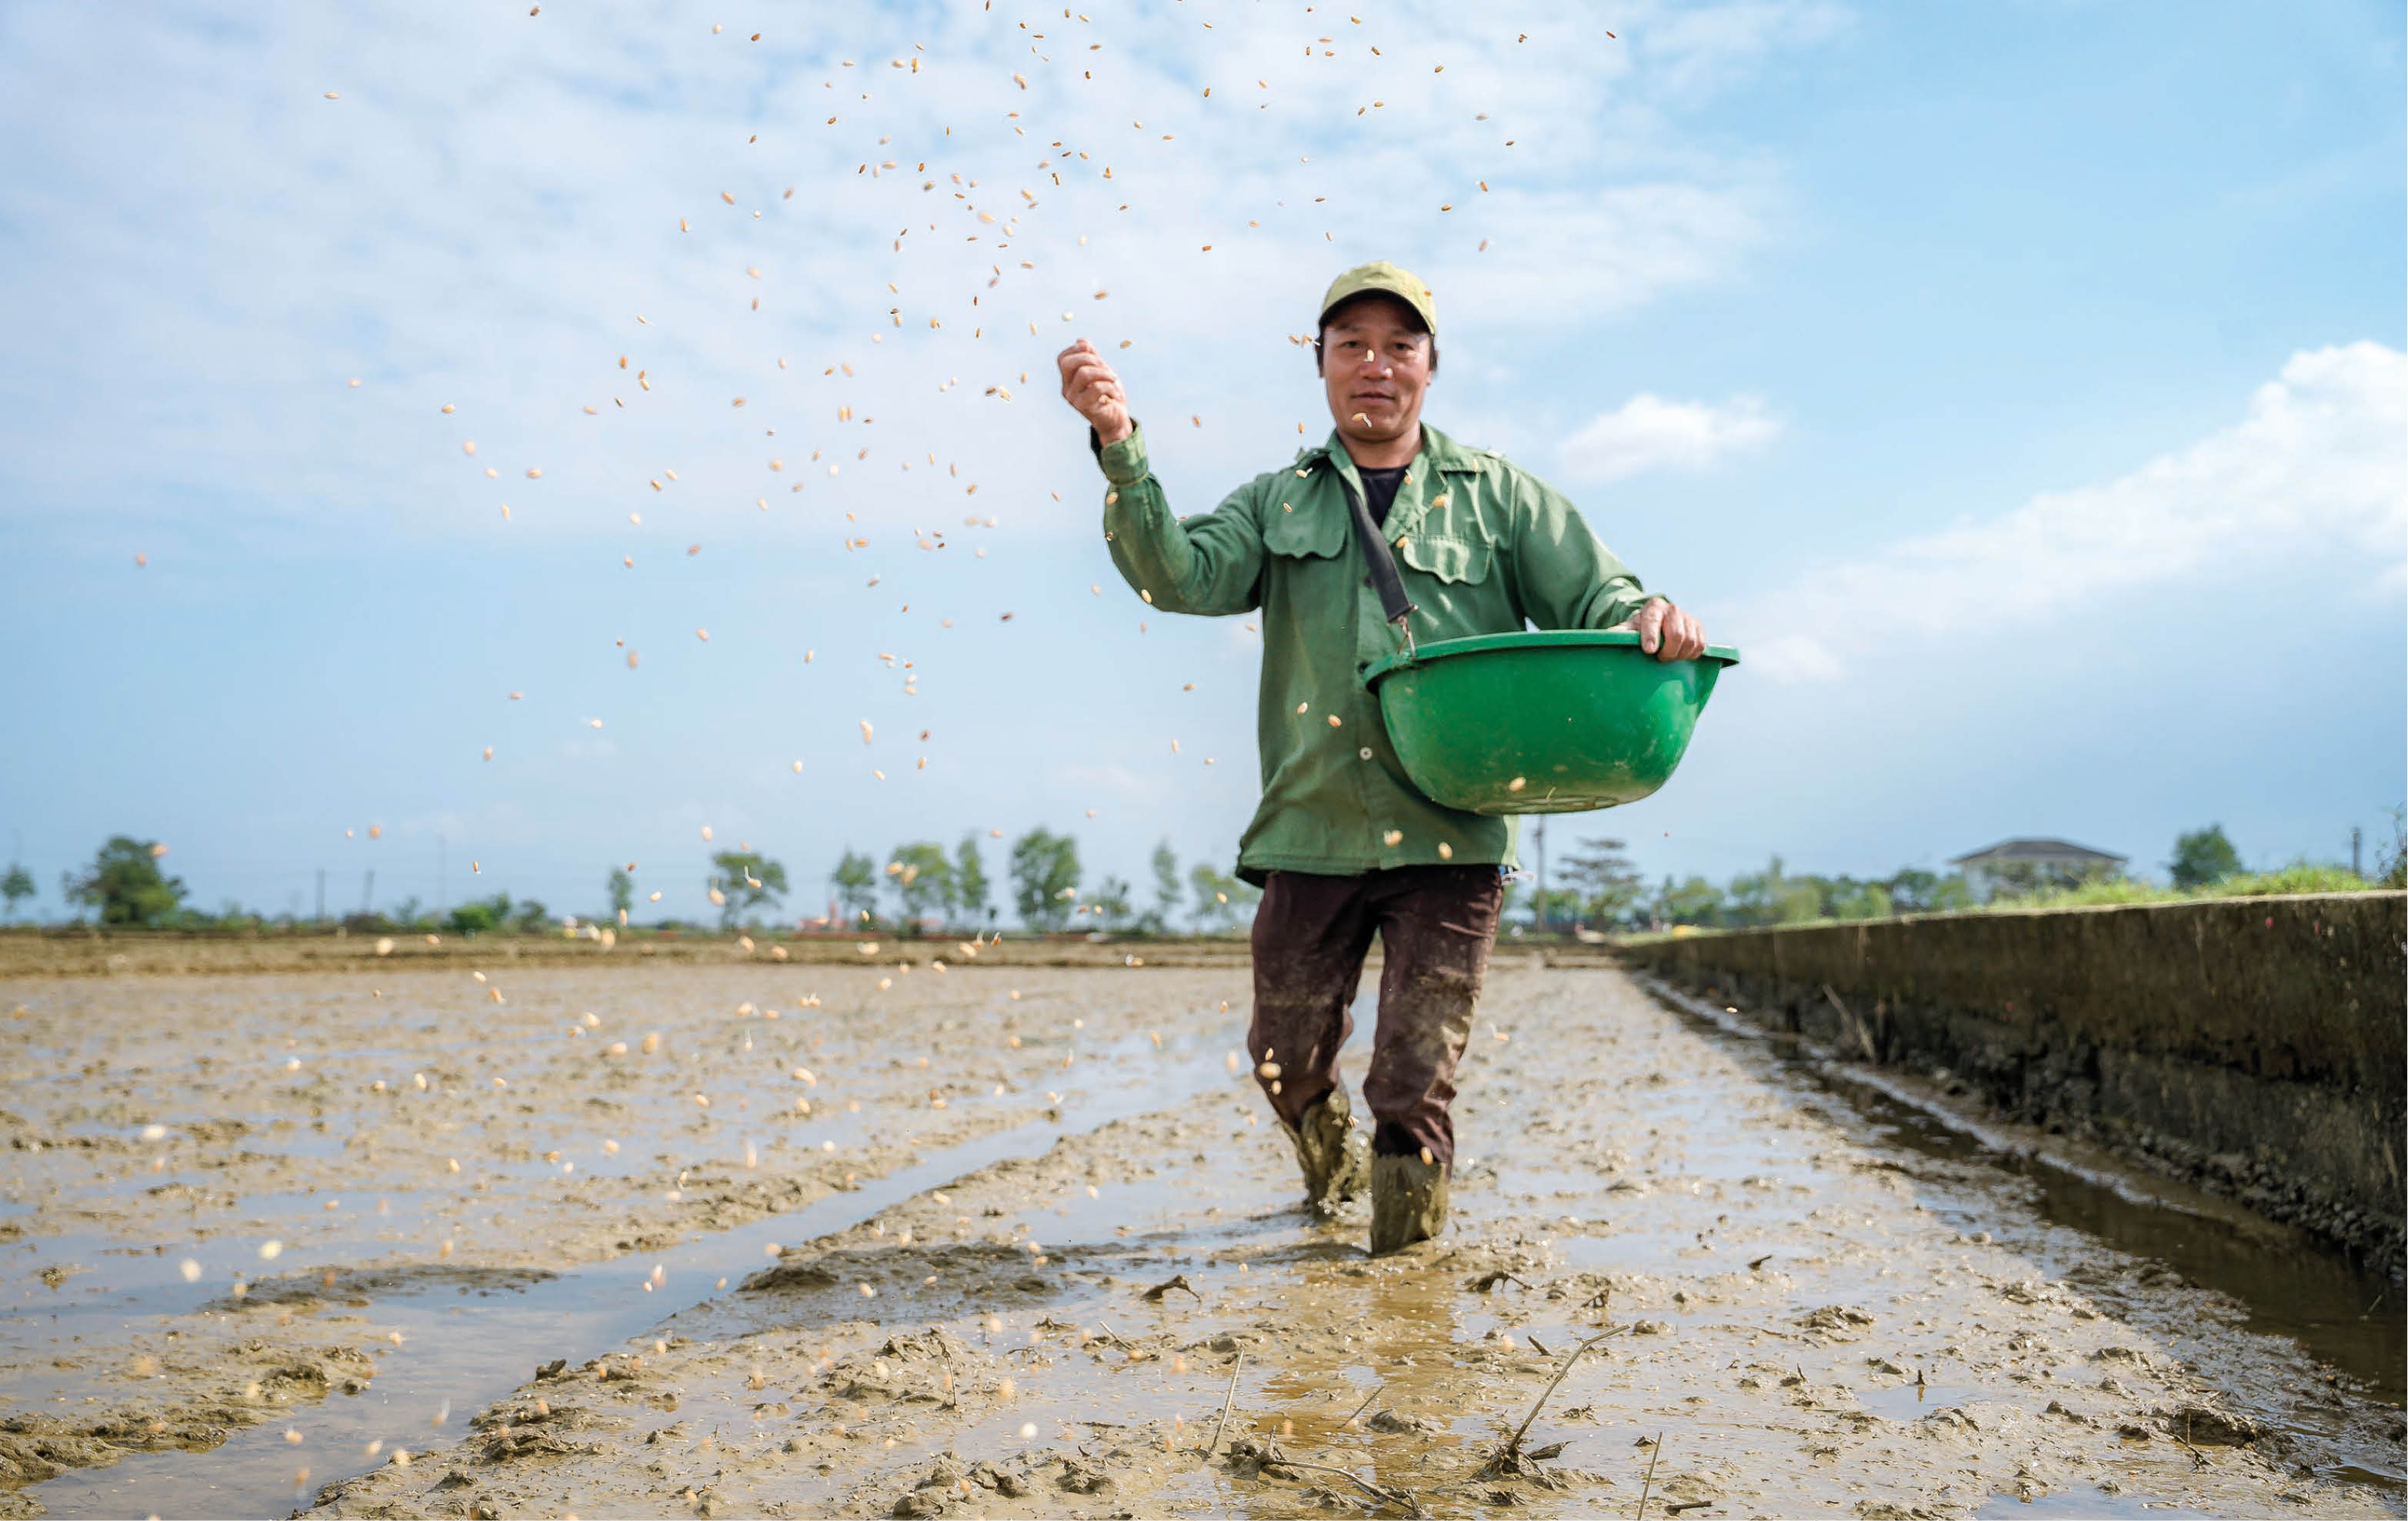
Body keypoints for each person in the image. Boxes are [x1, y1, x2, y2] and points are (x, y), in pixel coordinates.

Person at [1056, 261, 1706, 1254]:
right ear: (1318, 365)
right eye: (1350, 345)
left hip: (1449, 832)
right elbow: (1175, 576)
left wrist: (1647, 616)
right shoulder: (1278, 502)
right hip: (1311, 822)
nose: (1375, 365)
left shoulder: (1498, 499)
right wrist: (1118, 448)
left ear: (1429, 367)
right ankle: (1329, 1164)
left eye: (1399, 346)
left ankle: (1403, 1270)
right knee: (1282, 1056)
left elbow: (1601, 598)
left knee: (1412, 1074)